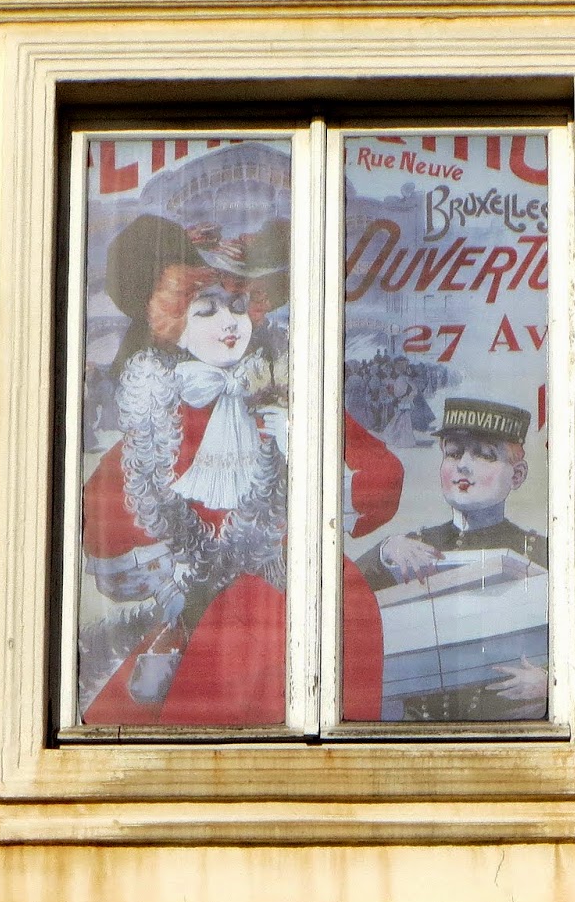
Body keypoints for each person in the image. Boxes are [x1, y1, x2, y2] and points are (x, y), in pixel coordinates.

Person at [79, 213, 403, 726]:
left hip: (298, 604)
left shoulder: (288, 398)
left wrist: (307, 462)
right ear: (171, 325)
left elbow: (381, 476)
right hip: (206, 621)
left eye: (237, 306)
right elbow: (102, 519)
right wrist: (175, 574)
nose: (230, 324)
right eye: (206, 311)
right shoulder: (160, 412)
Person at [356, 397, 549, 718]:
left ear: (517, 476)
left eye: (485, 456)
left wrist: (550, 685)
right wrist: (381, 553)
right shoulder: (408, 547)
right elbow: (344, 607)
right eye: (453, 453)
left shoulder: (541, 552)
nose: (463, 465)